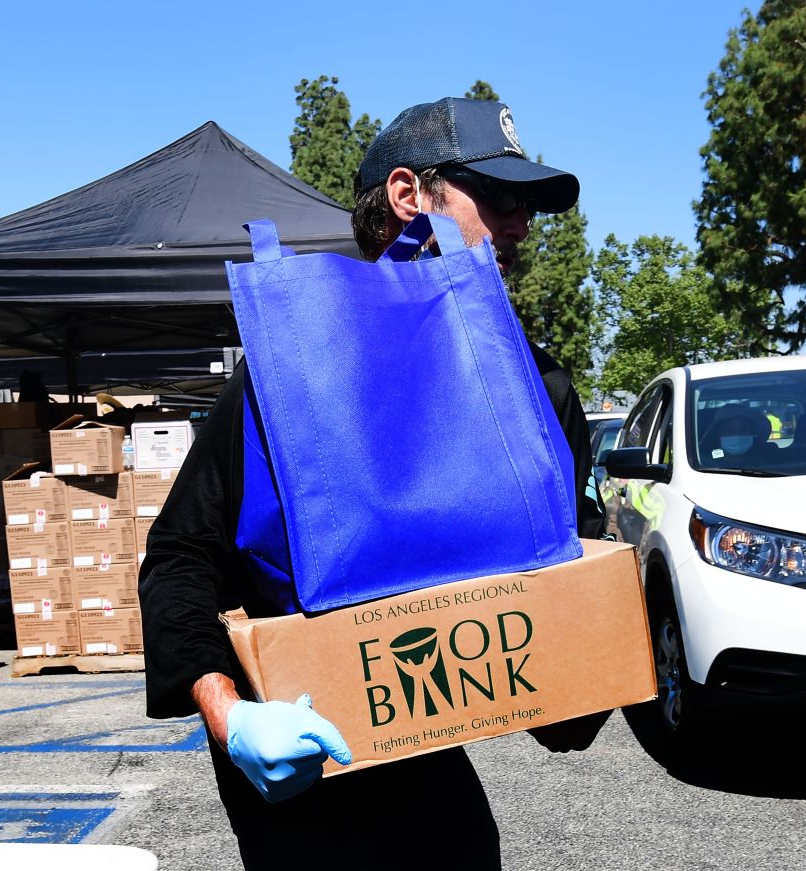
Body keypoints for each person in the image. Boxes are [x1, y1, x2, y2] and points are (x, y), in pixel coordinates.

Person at [139, 97, 603, 870]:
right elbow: (180, 555)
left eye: (529, 202)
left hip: (430, 778)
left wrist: (590, 663)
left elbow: (570, 610)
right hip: (304, 774)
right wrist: (230, 716)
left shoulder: (537, 391)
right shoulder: (291, 377)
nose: (523, 222)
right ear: (408, 196)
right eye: (500, 195)